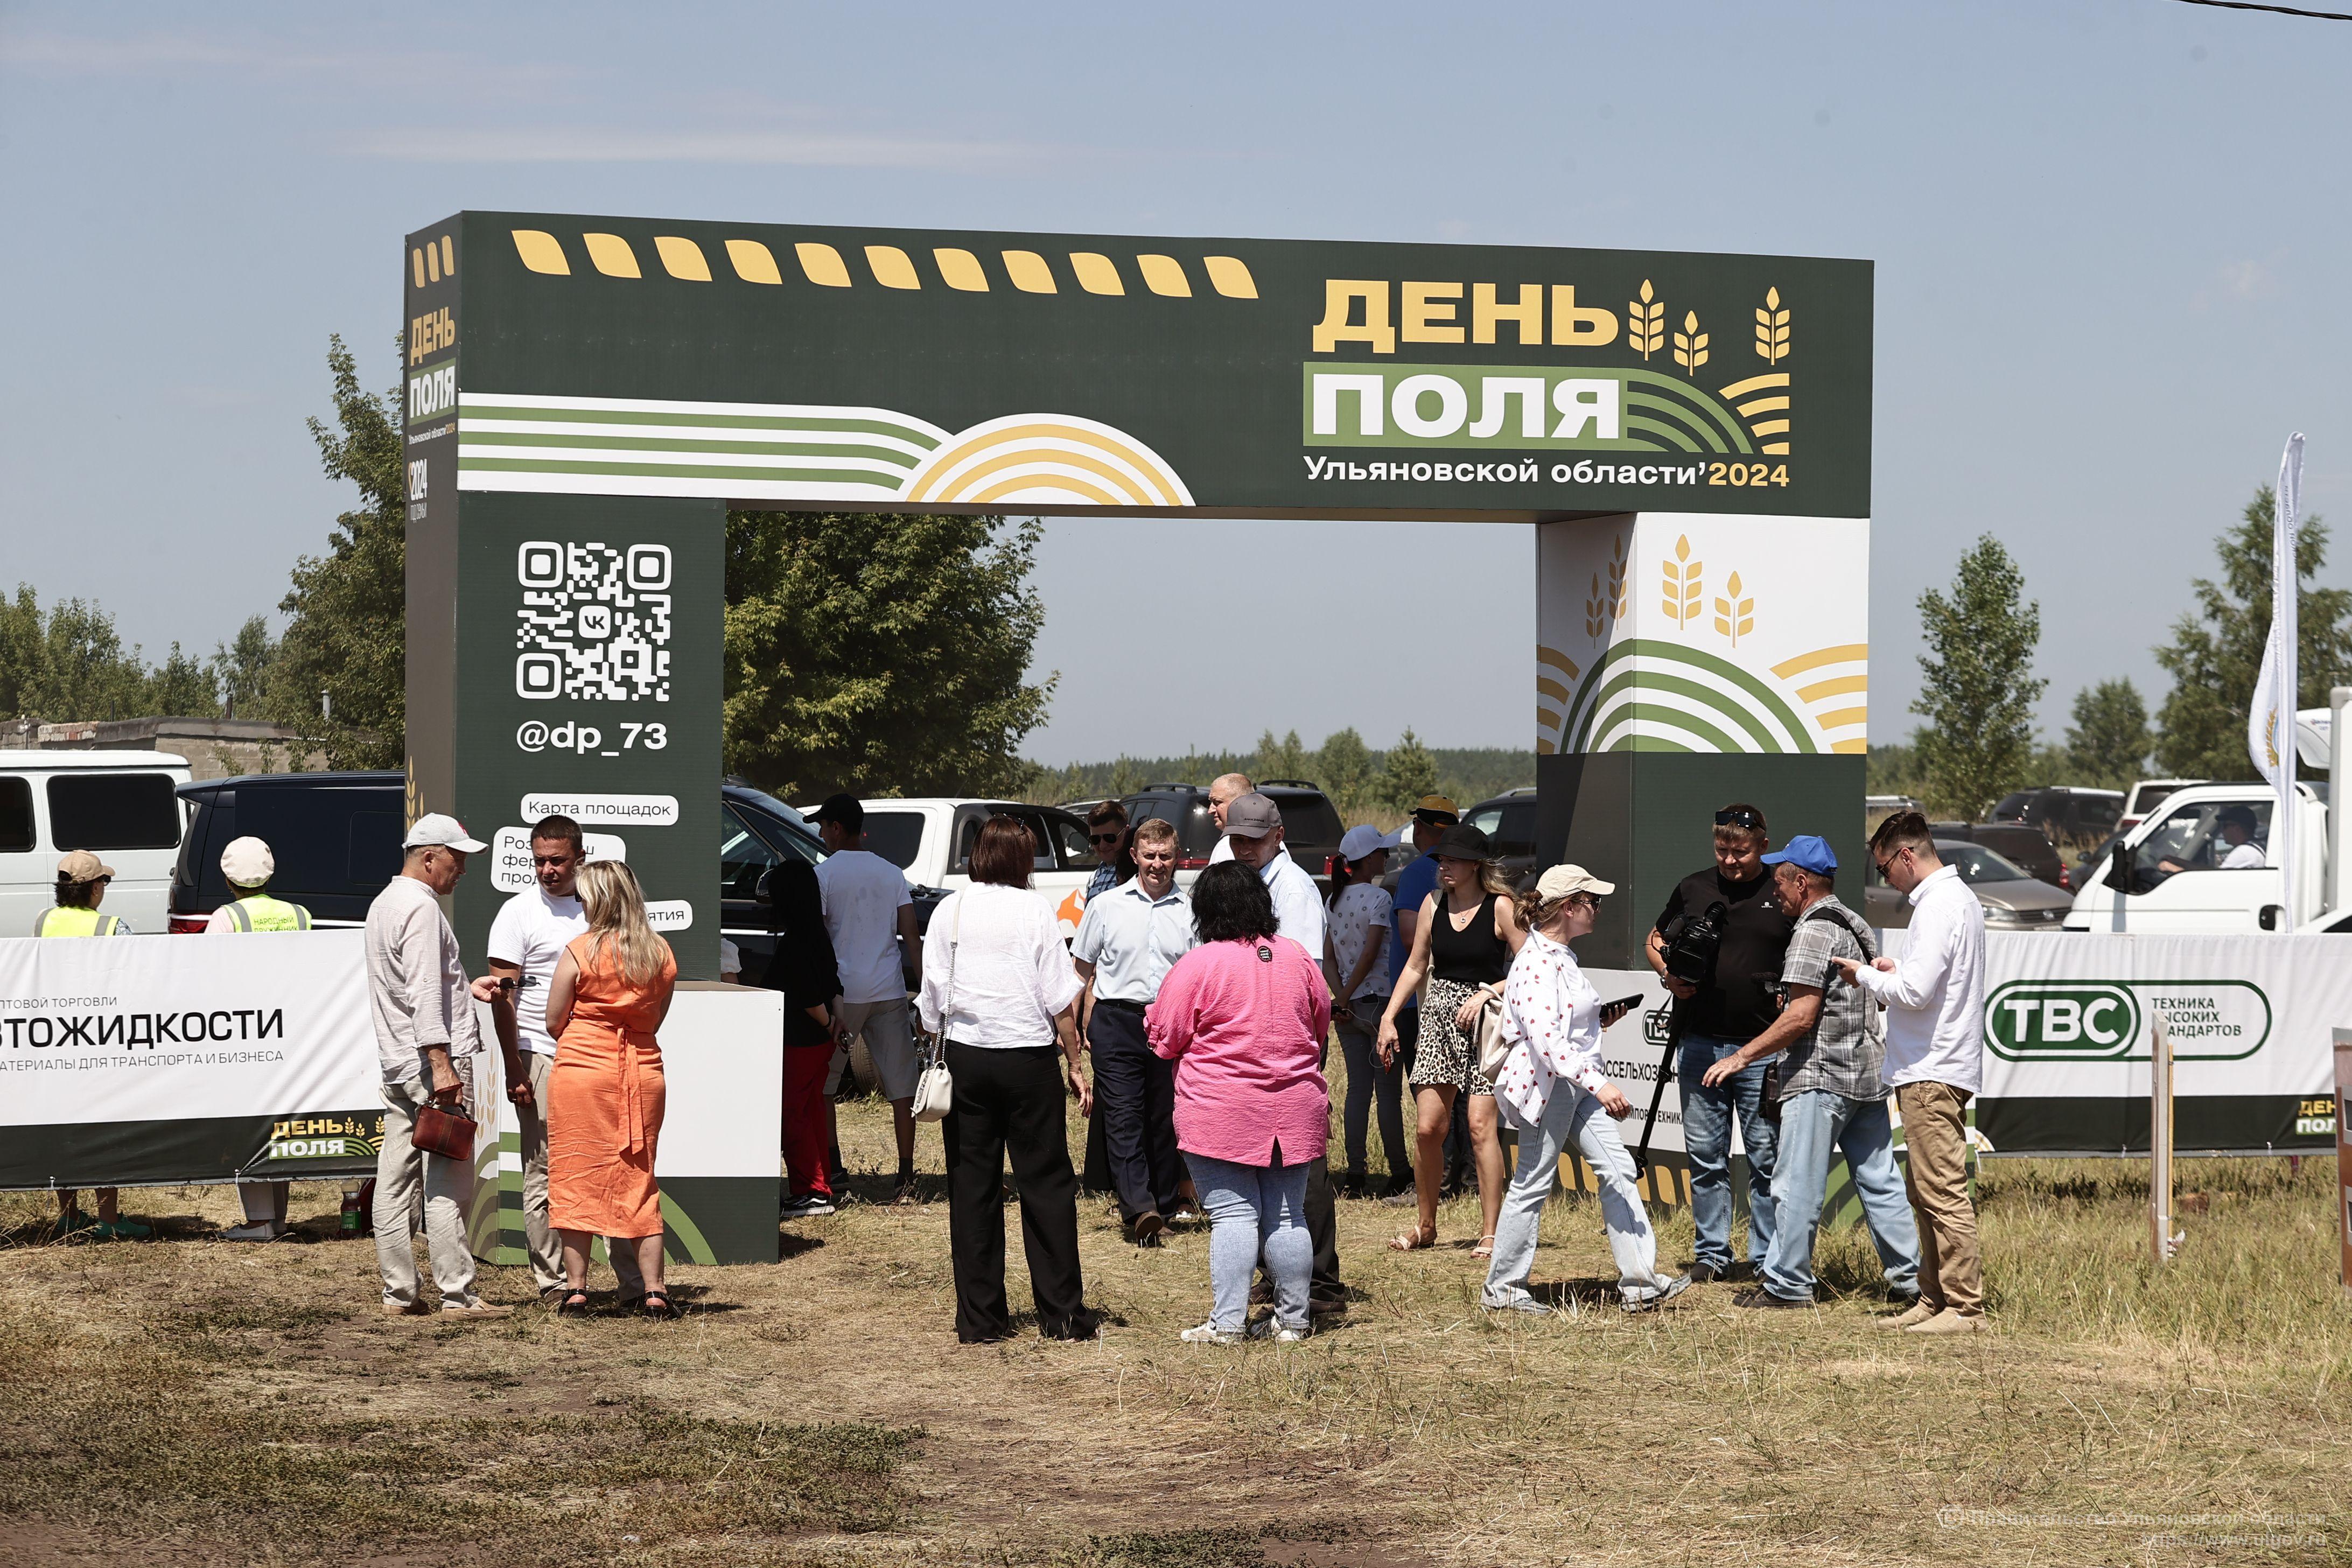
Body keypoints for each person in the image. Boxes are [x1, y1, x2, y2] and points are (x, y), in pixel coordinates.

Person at [1698, 836, 1920, 1311]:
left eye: (1779, 880)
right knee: (1880, 1181)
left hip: (1819, 1076)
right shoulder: (1854, 922)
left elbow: (1801, 1016)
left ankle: (1787, 1284)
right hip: (1865, 1075)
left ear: (1802, 883)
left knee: (1795, 1183)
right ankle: (1911, 1280)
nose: (1774, 890)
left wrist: (1741, 1057)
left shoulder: (1813, 930)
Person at [914, 815, 1098, 1344]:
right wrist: (1075, 1060)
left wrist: (934, 1032)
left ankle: (980, 1319)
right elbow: (1058, 997)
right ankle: (1062, 1314)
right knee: (1046, 1185)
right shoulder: (1034, 910)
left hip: (967, 1059)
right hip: (1027, 1060)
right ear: (1023, 860)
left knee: (972, 1187)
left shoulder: (950, 907)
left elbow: (931, 998)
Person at [1483, 865, 1690, 1314]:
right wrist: (1601, 1085)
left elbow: (1561, 1029)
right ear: (1569, 907)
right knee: (1532, 1184)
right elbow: (1547, 1042)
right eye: (1593, 902)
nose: (1598, 909)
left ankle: (1641, 1283)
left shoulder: (1560, 956)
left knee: (1618, 1171)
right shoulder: (1537, 962)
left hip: (1571, 1086)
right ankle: (1502, 1290)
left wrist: (1597, 1023)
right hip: (1549, 1089)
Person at [1149, 863, 1332, 1342]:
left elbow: (1165, 1038)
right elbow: (1320, 1023)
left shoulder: (1199, 963)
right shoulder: (1296, 957)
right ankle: (1293, 1322)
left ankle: (1227, 1324)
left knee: (1234, 1215)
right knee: (1288, 1214)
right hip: (1295, 1106)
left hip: (1220, 1109)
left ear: (1205, 911)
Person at [1834, 811, 1989, 1334]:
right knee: (1926, 1189)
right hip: (1936, 1062)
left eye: (1885, 868)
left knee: (1940, 1189)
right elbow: (1929, 983)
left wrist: (1864, 975)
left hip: (1931, 1067)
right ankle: (1934, 1296)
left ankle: (1965, 1306)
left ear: (1906, 855)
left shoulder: (1940, 904)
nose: (1887, 882)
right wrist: (1892, 971)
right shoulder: (1956, 899)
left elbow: (1918, 992)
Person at [484, 815, 643, 1303]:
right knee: (547, 1169)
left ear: (580, 857)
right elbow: (502, 998)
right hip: (541, 1052)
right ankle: (555, 1283)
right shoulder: (517, 913)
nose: (547, 870)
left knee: (618, 1165)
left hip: (605, 1058)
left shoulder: (602, 909)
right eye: (538, 861)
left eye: (557, 860)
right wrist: (514, 1066)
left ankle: (633, 1283)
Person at [366, 814, 509, 1319]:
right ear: (430, 857)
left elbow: (417, 985)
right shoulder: (421, 910)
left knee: (395, 1178)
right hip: (431, 1066)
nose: (463, 869)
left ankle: (398, 1292)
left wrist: (464, 991)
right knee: (449, 1178)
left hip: (398, 1061)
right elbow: (424, 990)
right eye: (458, 858)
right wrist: (442, 1063)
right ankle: (459, 1294)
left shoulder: (386, 903)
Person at [1646, 802, 1790, 1283]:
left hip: (1763, 1050)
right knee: (1706, 1159)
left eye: (1741, 851)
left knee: (1766, 1159)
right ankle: (1712, 1254)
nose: (1730, 860)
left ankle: (1767, 1258)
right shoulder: (1693, 886)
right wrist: (1669, 974)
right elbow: (1654, 937)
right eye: (1723, 850)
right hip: (1701, 1045)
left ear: (1763, 846)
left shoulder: (1783, 889)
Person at [1222, 792, 1344, 1314]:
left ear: (1279, 836)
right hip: (1262, 1039)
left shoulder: (1291, 889)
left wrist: (1302, 1051)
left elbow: (1305, 977)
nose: (1245, 847)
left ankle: (1319, 1281)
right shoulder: (1257, 883)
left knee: (1302, 1160)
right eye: (1238, 839)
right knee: (1269, 1156)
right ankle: (1282, 1273)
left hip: (1288, 1040)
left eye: (1254, 838)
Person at [1376, 823, 1523, 1256]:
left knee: (1481, 1128)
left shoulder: (1501, 907)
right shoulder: (1432, 903)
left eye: (1454, 860)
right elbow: (1416, 966)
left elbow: (1528, 966)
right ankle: (1427, 1225)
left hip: (1487, 1024)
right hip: (1438, 1020)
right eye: (1442, 859)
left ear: (1476, 865)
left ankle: (1492, 1231)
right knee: (1428, 1129)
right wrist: (1388, 1017)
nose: (1444, 867)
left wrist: (1489, 992)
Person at [544, 860, 681, 1319]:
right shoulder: (660, 952)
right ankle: (656, 1292)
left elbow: (553, 1021)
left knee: (575, 1174)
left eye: (583, 897)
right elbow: (657, 1019)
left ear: (599, 900)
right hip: (642, 1071)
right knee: (639, 1179)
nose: (579, 903)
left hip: (582, 1071)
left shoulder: (580, 950)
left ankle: (577, 1291)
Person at [1073, 816, 1195, 1242]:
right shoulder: (1106, 906)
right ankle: (1138, 1208)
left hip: (1170, 1023)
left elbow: (1202, 977)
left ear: (1176, 858)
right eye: (1149, 856)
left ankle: (1161, 1203)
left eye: (1165, 856)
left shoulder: (1191, 911)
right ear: (1134, 856)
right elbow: (1080, 970)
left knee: (1164, 1118)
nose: (1157, 864)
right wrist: (1069, 1026)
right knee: (1123, 1116)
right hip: (1116, 1020)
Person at [809, 794, 926, 1204]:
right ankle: (906, 1175)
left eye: (824, 827)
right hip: (890, 988)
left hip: (845, 993)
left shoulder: (823, 875)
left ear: (837, 828)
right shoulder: (892, 872)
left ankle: (836, 1169)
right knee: (901, 1087)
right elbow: (911, 936)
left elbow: (818, 937)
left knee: (825, 1086)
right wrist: (926, 991)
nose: (822, 834)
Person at [36, 852, 149, 1241]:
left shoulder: (43, 922)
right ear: (95, 887)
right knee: (104, 1127)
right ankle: (109, 1218)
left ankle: (68, 1215)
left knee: (64, 1126)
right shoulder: (113, 927)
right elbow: (136, 982)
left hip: (54, 1039)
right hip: (101, 1040)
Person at [207, 836, 313, 1242]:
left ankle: (258, 1220)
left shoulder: (225, 917)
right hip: (294, 1032)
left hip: (248, 1034)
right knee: (281, 1120)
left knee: (250, 1123)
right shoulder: (299, 914)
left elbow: (212, 977)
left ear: (229, 878)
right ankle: (279, 1218)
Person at [1381, 795, 1458, 1202]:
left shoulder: (1416, 874)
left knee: (1427, 1098)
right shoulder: (1464, 876)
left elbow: (1413, 939)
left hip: (1416, 1003)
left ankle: (1433, 1184)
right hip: (1449, 997)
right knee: (1457, 1098)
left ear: (1423, 829)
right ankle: (1459, 1181)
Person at [1325, 823, 1406, 1198]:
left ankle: (1355, 1175)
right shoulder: (1378, 900)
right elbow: (1372, 954)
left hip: (1348, 1008)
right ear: (1367, 860)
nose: (1386, 857)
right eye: (1381, 852)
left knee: (1358, 1091)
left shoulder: (1333, 900)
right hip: (1377, 1004)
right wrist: (1349, 995)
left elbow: (1329, 958)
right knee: (1388, 1094)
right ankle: (1399, 1172)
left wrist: (1341, 997)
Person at [764, 861, 844, 1219]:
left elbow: (809, 996)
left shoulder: (796, 942)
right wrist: (836, 1022)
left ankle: (811, 1190)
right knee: (811, 1110)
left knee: (791, 1114)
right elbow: (833, 983)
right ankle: (820, 1183)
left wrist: (829, 1024)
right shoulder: (818, 932)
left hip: (800, 1040)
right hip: (819, 1041)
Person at [2162, 803, 2264, 873]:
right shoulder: (2250, 848)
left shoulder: (2244, 852)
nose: (2222, 831)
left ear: (2237, 829)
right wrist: (2180, 862)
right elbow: (2212, 872)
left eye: (2224, 826)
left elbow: (2214, 881)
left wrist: (2170, 868)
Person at [1202, 772, 1254, 864]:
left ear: (1239, 802)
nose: (1210, 810)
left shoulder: (1226, 847)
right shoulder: (1224, 846)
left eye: (1217, 802)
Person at [1083, 800, 1130, 899]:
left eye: (1109, 838)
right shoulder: (1093, 879)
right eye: (1095, 839)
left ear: (1126, 832)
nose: (1102, 846)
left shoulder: (1135, 874)